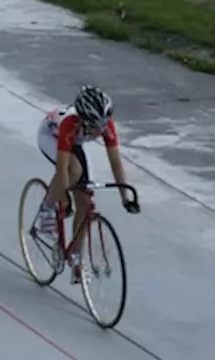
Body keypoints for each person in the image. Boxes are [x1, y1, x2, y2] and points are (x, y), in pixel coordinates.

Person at [37, 86, 140, 282]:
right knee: (73, 171)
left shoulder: (106, 126)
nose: (99, 131)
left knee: (85, 203)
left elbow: (115, 162)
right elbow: (62, 168)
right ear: (83, 120)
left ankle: (75, 257)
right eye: (95, 127)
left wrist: (125, 197)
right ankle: (47, 207)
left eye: (102, 126)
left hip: (74, 143)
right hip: (51, 136)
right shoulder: (70, 124)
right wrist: (64, 195)